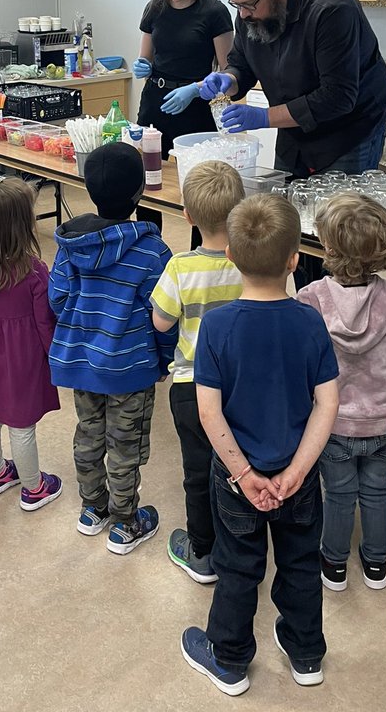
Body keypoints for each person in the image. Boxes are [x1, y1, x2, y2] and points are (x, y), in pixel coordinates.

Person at [181, 194, 339, 695]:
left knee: (237, 566)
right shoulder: (310, 321)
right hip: (300, 473)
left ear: (229, 254)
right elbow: (327, 404)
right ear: (295, 259)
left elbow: (209, 412)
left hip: (235, 479)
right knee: (299, 563)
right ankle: (306, 653)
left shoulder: (218, 325)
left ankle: (228, 658)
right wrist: (294, 474)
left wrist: (246, 476)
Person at [48, 142, 171, 554]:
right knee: (126, 443)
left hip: (80, 361)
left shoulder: (70, 246)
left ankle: (92, 509)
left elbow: (58, 300)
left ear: (88, 188)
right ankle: (124, 521)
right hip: (131, 367)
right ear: (140, 193)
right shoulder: (153, 252)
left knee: (88, 433)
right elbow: (163, 315)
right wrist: (165, 358)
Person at [199, 0, 386, 181]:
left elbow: (338, 97)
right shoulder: (250, 15)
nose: (242, 14)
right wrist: (228, 80)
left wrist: (264, 117)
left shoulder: (331, 11)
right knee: (287, 210)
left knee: (338, 214)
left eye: (249, 4)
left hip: (349, 131)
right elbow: (242, 66)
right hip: (295, 132)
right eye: (237, 5)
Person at [297, 193, 386, 592]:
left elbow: (301, 359)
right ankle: (376, 564)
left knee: (340, 495)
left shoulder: (310, 299)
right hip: (383, 420)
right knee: (378, 493)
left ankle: (334, 564)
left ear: (327, 246)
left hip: (332, 421)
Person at [151, 161, 245, 584]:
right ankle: (242, 542)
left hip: (190, 385)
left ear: (186, 215)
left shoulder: (179, 268)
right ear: (241, 209)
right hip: (242, 386)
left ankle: (202, 552)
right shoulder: (251, 264)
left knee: (197, 469)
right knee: (237, 465)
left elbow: (161, 323)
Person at [0, 176, 62, 511]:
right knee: (22, 423)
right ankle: (34, 488)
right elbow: (44, 321)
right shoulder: (34, 271)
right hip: (23, 355)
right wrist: (56, 357)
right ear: (23, 226)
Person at [133, 0, 233, 240]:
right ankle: (150, 252)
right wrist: (142, 67)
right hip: (156, 104)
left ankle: (198, 258)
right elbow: (145, 57)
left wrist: (195, 88)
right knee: (148, 183)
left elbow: (229, 72)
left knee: (200, 192)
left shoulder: (214, 12)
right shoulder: (155, 9)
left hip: (195, 107)